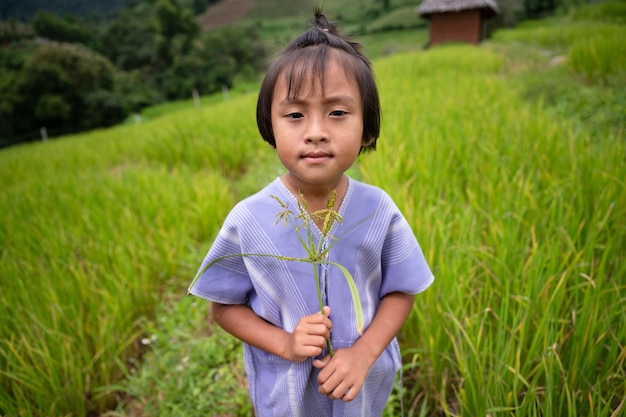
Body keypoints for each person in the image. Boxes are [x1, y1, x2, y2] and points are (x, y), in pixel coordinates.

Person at [189, 9, 434, 417]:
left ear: (367, 130)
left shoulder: (378, 211)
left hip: (361, 387)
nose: (316, 130)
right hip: (286, 395)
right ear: (271, 128)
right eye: (295, 115)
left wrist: (363, 353)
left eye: (338, 113)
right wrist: (285, 343)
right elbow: (223, 307)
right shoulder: (249, 220)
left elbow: (402, 289)